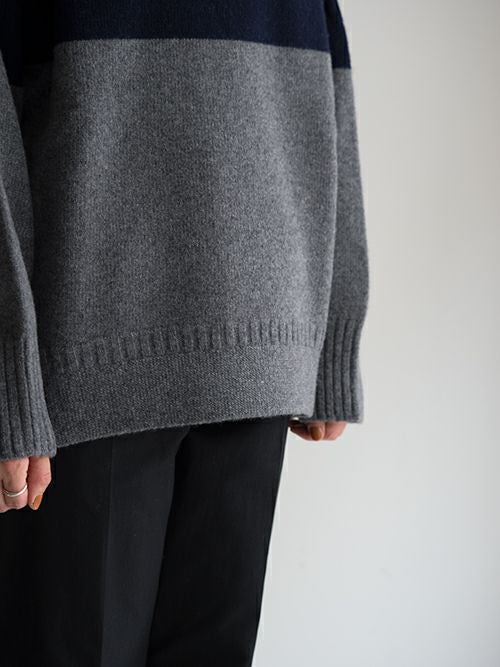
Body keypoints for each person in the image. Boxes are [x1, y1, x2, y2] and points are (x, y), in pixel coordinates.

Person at [0, 1, 369, 665]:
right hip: (84, 371)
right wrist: (10, 372)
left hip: (259, 354)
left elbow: (327, 82)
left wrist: (332, 339)